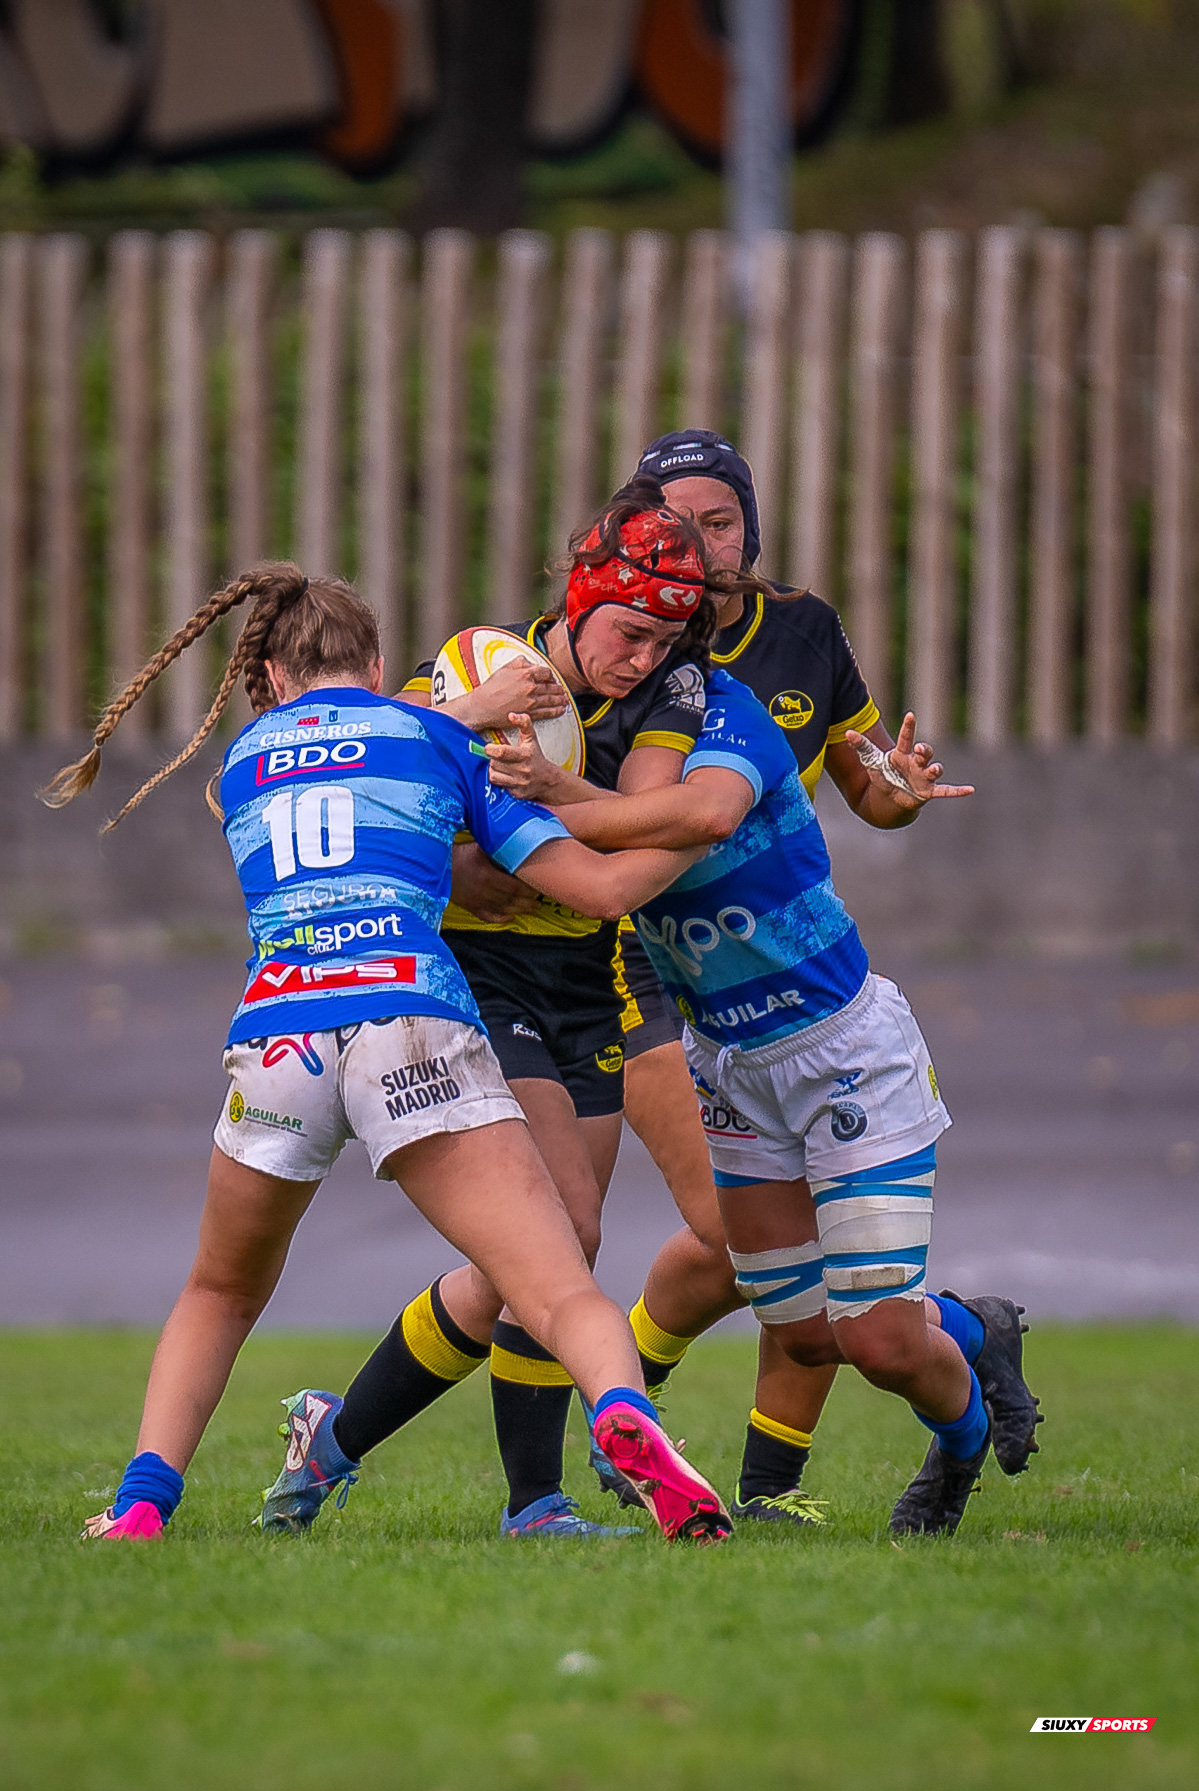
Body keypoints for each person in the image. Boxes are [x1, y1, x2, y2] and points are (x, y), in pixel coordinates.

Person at [41, 561, 731, 1546]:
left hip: (278, 1037)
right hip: (411, 1021)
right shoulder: (439, 744)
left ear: (271, 676)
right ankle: (626, 1416)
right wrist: (701, 828)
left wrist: (449, 717)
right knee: (556, 1282)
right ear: (375, 661)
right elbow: (598, 891)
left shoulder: (238, 762)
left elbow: (314, 764)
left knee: (220, 1287)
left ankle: (142, 1504)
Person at [265, 481, 750, 1539]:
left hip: (596, 973)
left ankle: (332, 1440)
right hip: (485, 976)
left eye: (666, 637)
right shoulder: (479, 671)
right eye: (626, 632)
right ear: (575, 605)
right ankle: (535, 1502)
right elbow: (382, 799)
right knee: (564, 1230)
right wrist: (457, 865)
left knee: (525, 1262)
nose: (643, 657)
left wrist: (564, 806)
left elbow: (628, 830)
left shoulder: (674, 690)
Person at [576, 430, 1040, 1523]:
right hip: (725, 1058)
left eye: (717, 521)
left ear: (749, 526)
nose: (695, 546)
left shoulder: (756, 674)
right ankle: (964, 1334)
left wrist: (896, 789)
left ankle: (952, 1439)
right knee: (798, 1325)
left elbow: (775, 798)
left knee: (874, 1337)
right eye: (669, 527)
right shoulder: (615, 685)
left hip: (836, 1042)